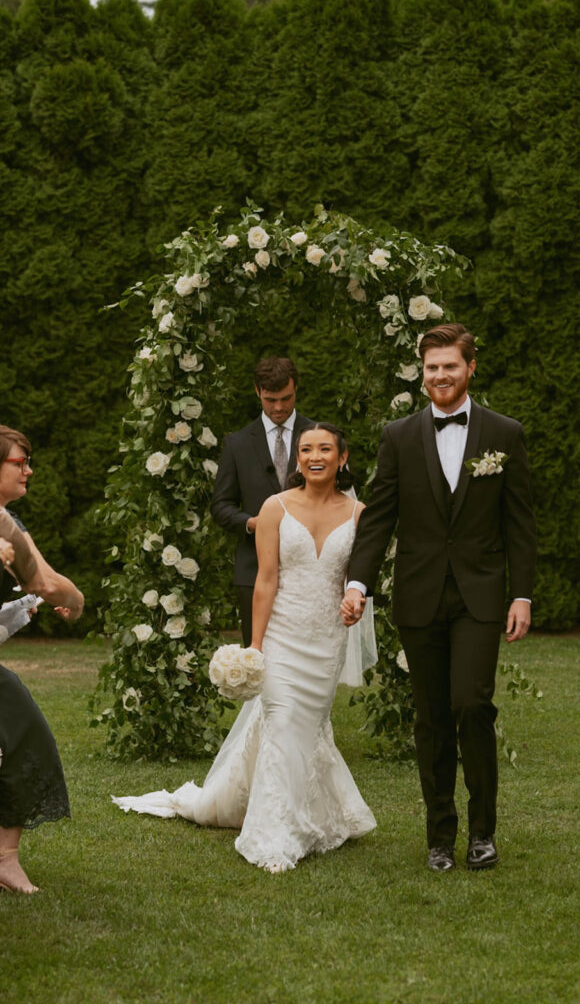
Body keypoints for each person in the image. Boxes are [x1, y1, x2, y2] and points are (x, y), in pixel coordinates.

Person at [114, 424, 376, 873]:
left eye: (325, 449)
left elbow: (354, 576)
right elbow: (266, 580)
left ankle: (312, 812)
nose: (315, 456)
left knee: (308, 727)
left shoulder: (358, 514)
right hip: (282, 636)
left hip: (326, 638)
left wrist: (355, 599)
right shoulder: (274, 508)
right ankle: (274, 833)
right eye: (306, 449)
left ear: (342, 457)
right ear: (297, 459)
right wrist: (254, 647)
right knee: (282, 722)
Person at [341, 323, 536, 873]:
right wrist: (358, 583)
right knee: (430, 719)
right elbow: (378, 520)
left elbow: (521, 524)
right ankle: (438, 835)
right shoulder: (399, 436)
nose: (441, 376)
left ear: (471, 368)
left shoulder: (505, 433)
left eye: (450, 366)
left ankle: (482, 833)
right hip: (420, 596)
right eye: (431, 367)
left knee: (471, 705)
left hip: (479, 597)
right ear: (421, 372)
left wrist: (520, 594)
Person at [0, 425, 84, 894]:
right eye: (19, 461)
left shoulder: (9, 524)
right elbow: (45, 586)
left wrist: (74, 596)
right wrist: (69, 596)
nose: (29, 470)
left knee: (26, 735)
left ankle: (4, 858)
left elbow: (46, 580)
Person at [211, 357, 312, 646]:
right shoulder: (238, 443)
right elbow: (220, 506)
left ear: (296, 389)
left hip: (308, 567)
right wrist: (253, 523)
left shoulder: (319, 435)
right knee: (258, 655)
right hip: (254, 569)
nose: (279, 408)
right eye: (270, 400)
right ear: (257, 392)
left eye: (286, 398)